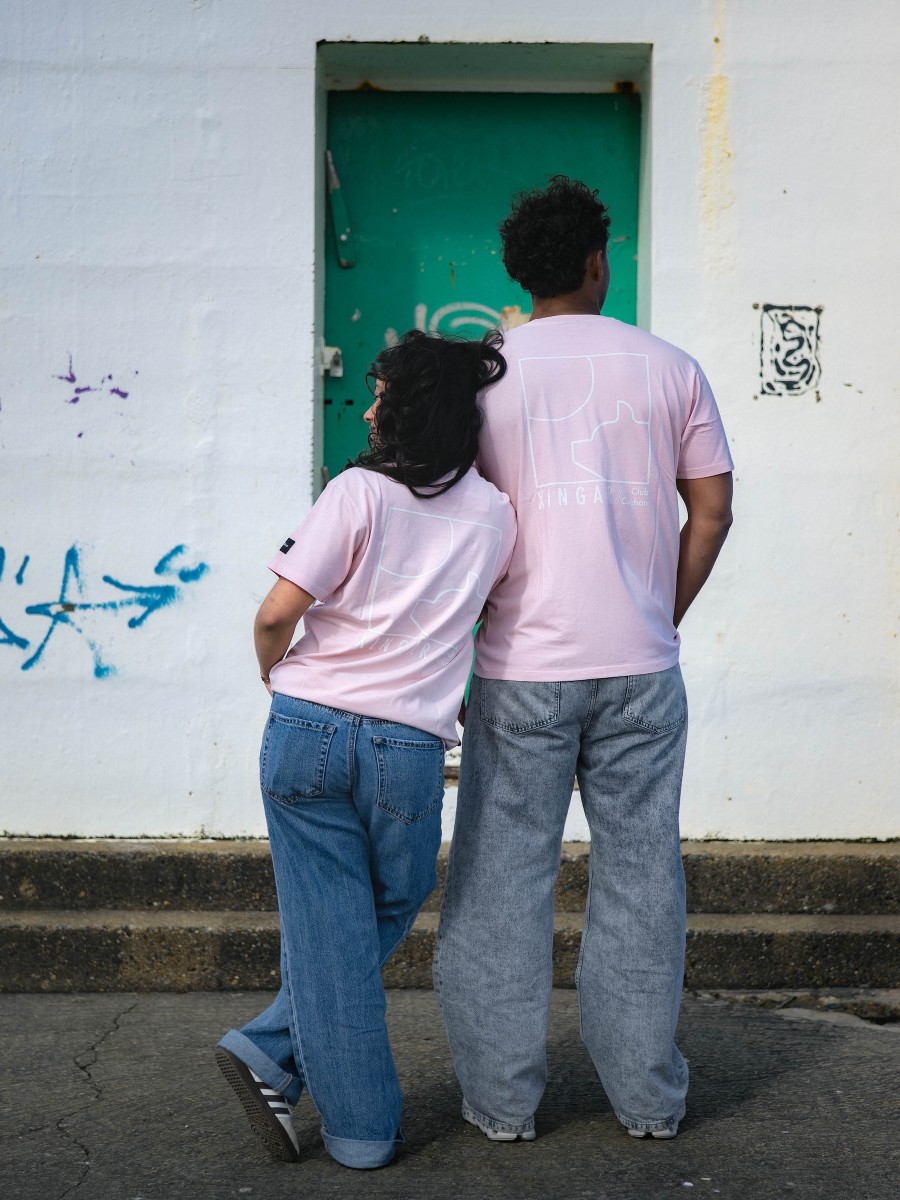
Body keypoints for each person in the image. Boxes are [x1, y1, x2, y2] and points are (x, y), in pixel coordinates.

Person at [433, 176, 734, 1143]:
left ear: (519, 272)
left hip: (519, 669)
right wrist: (658, 613)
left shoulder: (482, 372)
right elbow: (712, 510)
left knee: (499, 886)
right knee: (642, 879)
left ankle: (502, 1105)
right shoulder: (672, 368)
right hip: (641, 665)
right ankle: (647, 1102)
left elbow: (444, 521)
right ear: (600, 264)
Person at [215, 329, 516, 1170]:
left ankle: (291, 1065)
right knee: (389, 899)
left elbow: (276, 614)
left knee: (330, 928)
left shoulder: (355, 492)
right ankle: (349, 1116)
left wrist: (276, 678)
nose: (370, 409)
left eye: (382, 396)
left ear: (412, 407)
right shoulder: (496, 515)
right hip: (407, 747)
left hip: (307, 725)